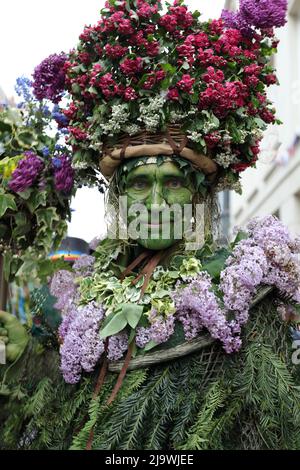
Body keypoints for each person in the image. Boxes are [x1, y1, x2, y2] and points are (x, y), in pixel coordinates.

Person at [1, 0, 300, 451]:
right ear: (118, 196)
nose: (157, 203)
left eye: (174, 183)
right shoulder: (76, 296)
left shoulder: (242, 290)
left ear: (199, 194)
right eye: (140, 183)